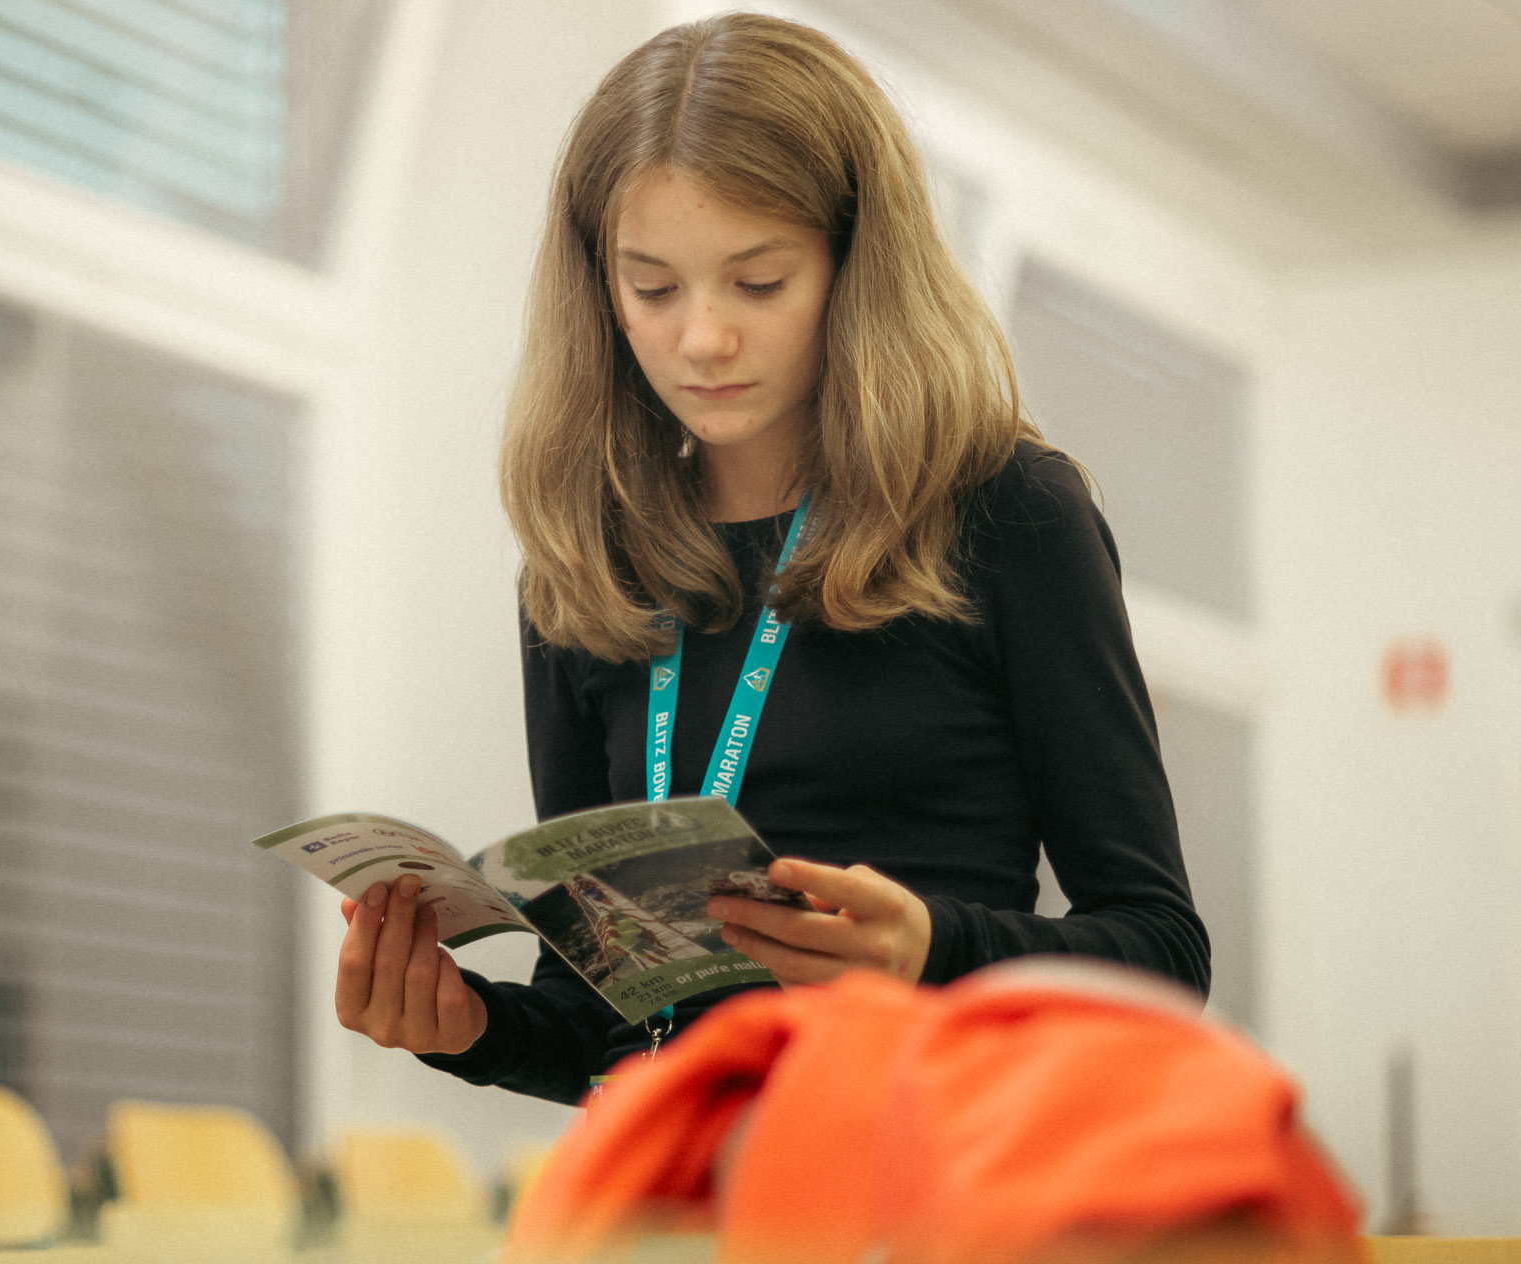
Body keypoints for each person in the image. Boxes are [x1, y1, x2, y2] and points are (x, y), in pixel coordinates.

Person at [332, 13, 1209, 1105]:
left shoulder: (1007, 512)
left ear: (855, 270)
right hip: (679, 1183)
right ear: (599, 290)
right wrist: (470, 1028)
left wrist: (933, 949)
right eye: (653, 289)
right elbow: (613, 1022)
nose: (702, 339)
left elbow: (1161, 953)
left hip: (923, 1165)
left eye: (758, 284)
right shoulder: (586, 566)